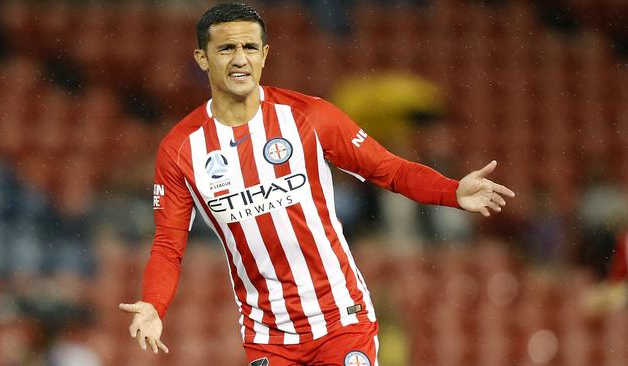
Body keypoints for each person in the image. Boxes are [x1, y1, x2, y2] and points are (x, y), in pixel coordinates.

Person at [119, 2, 515, 365]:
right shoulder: (181, 149)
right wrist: (154, 305)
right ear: (202, 59)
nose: (240, 59)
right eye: (226, 49)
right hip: (268, 335)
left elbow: (389, 170)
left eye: (250, 48)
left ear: (265, 54)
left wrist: (451, 191)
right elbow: (169, 246)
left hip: (342, 319)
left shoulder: (310, 117)